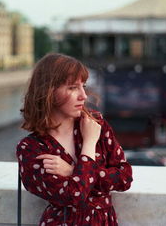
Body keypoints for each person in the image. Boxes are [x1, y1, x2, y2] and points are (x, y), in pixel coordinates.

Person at [16, 53, 133, 225]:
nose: (84, 96)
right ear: (48, 91)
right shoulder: (31, 149)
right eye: (72, 88)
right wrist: (89, 144)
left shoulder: (95, 124)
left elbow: (125, 178)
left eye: (83, 86)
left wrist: (72, 171)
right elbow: (74, 195)